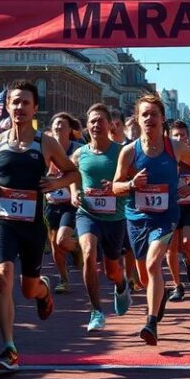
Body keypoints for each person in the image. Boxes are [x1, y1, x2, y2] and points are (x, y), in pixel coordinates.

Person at [0, 80, 79, 370]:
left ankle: (42, 290)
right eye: (15, 102)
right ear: (7, 106)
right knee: (3, 276)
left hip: (32, 223)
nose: (19, 107)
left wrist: (56, 182)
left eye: (25, 103)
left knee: (27, 289)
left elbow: (73, 173)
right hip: (2, 220)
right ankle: (9, 348)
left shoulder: (45, 143)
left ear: (34, 108)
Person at [113, 94, 190, 346]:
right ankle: (159, 295)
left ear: (162, 118)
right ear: (138, 119)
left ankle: (151, 322)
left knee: (154, 264)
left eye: (154, 114)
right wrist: (131, 184)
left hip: (166, 215)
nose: (149, 118)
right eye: (145, 114)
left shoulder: (173, 148)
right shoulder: (129, 152)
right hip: (137, 217)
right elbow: (115, 186)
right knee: (144, 276)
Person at [69, 103, 132, 331]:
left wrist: (117, 186)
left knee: (111, 270)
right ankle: (96, 311)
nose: (96, 125)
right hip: (87, 214)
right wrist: (74, 191)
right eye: (92, 121)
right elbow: (71, 175)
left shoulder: (121, 152)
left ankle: (121, 284)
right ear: (87, 126)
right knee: (87, 252)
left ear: (110, 125)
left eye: (100, 121)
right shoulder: (80, 153)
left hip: (115, 218)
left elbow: (131, 181)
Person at [44, 112, 82, 293]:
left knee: (62, 240)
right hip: (51, 204)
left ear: (70, 130)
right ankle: (63, 279)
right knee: (55, 246)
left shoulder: (78, 150)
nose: (58, 127)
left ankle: (77, 248)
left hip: (71, 204)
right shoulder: (44, 149)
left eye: (62, 124)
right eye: (55, 125)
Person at [167, 120, 190, 301]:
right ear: (170, 137)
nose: (180, 138)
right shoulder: (164, 156)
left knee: (188, 242)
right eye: (176, 135)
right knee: (171, 249)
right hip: (170, 208)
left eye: (183, 135)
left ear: (188, 138)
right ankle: (177, 286)